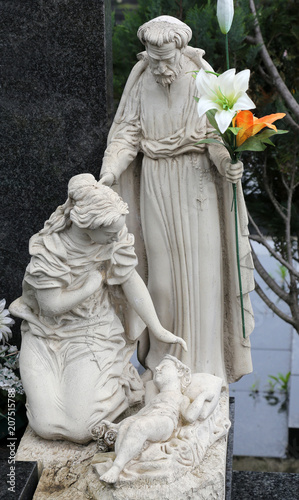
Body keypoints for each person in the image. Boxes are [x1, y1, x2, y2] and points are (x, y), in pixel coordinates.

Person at [99, 15, 254, 384]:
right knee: (162, 281)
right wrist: (109, 172)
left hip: (196, 182)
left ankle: (205, 366)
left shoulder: (203, 78)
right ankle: (163, 364)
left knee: (203, 278)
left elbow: (219, 137)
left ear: (181, 51)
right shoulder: (142, 79)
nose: (160, 67)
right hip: (155, 183)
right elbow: (127, 134)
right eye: (153, 59)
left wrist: (226, 164)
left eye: (166, 59)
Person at [9, 174, 186, 444]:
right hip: (45, 333)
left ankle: (121, 384)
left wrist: (157, 327)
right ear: (87, 224)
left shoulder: (112, 239)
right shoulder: (50, 251)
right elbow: (51, 306)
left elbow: (131, 280)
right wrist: (89, 287)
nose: (118, 237)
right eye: (111, 232)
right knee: (45, 426)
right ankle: (104, 384)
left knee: (81, 429)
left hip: (93, 332)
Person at [99, 354, 223, 483]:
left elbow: (190, 416)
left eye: (164, 366)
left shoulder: (181, 398)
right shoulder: (156, 398)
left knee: (140, 426)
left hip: (166, 421)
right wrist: (117, 425)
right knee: (127, 426)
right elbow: (139, 414)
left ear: (179, 373)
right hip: (149, 418)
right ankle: (127, 459)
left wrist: (202, 396)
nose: (157, 368)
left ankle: (116, 468)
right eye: (158, 366)